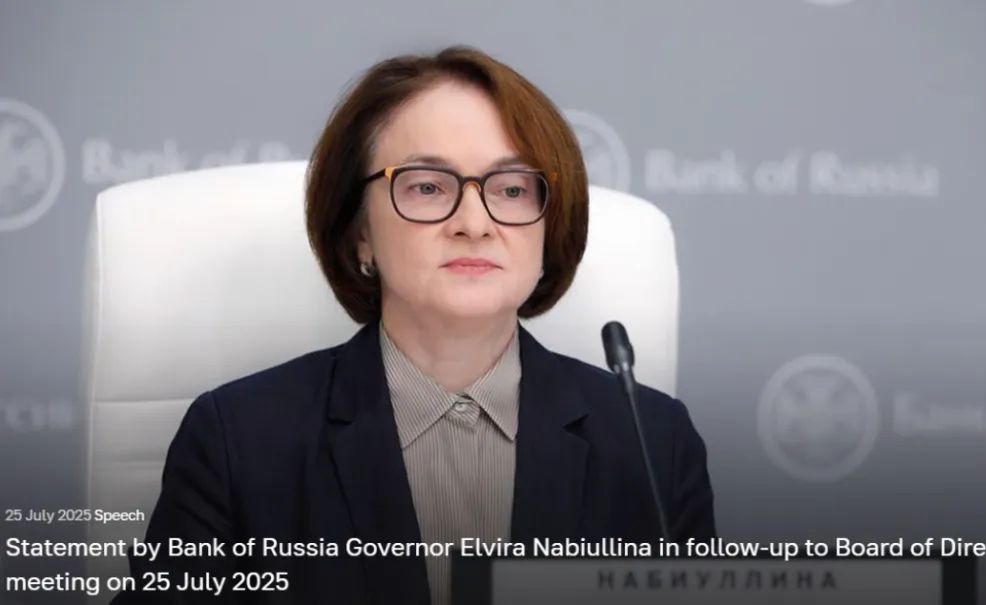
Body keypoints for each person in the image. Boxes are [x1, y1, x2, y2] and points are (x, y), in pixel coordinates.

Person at [113, 45, 715, 605]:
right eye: (427, 187)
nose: (474, 222)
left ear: (548, 226)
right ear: (361, 233)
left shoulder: (652, 445)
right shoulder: (238, 441)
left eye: (511, 189)